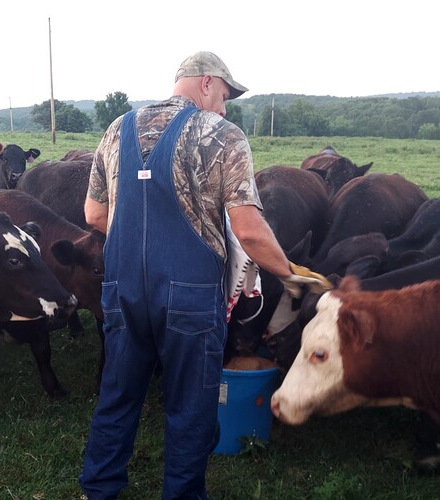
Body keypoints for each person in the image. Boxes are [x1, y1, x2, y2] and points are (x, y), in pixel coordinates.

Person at [80, 51, 330, 500]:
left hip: (122, 291)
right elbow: (250, 232)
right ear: (208, 83)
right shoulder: (223, 136)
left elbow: (95, 213)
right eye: (226, 96)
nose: (225, 106)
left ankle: (99, 490)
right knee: (189, 409)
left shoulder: (116, 129)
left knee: (117, 397)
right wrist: (289, 273)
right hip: (189, 295)